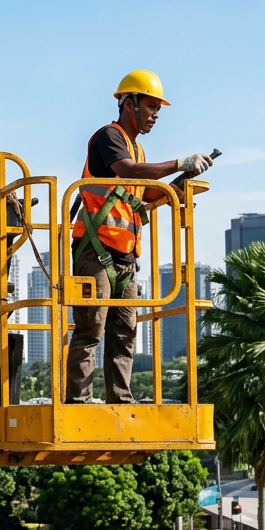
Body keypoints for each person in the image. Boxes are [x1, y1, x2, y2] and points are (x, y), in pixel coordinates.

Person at [66, 70, 212, 404]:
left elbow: (144, 196)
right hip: (96, 247)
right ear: (129, 103)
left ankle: (120, 399)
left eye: (158, 108)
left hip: (126, 257)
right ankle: (78, 402)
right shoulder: (109, 137)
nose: (155, 115)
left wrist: (179, 183)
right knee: (91, 327)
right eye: (150, 106)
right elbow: (127, 170)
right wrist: (178, 161)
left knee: (125, 331)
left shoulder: (139, 151)